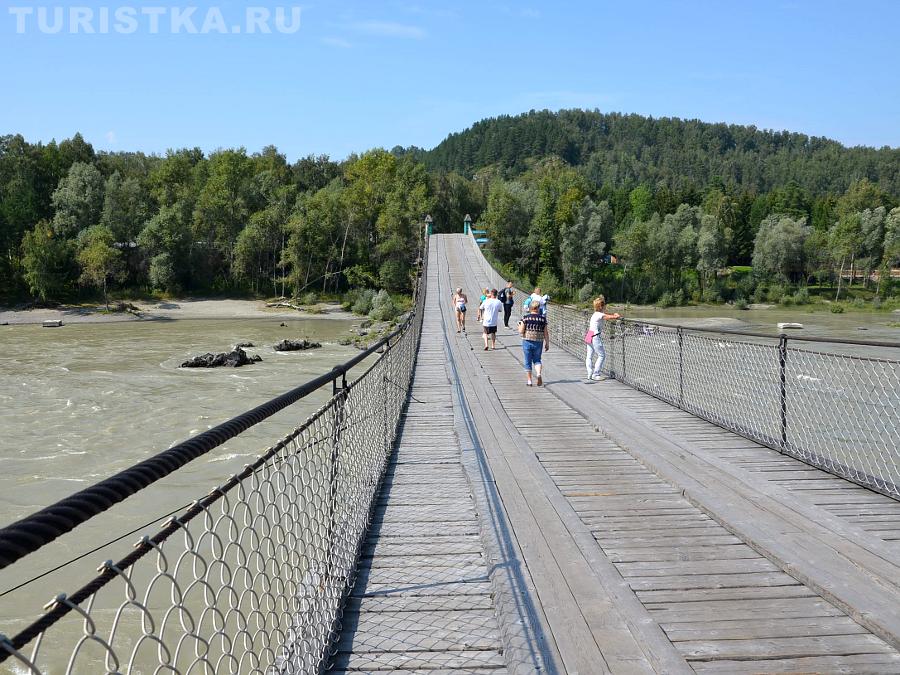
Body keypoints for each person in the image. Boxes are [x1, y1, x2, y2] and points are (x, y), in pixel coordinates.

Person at [585, 295, 621, 381]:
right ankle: (596, 374)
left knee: (589, 355)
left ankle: (589, 372)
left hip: (589, 334)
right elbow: (608, 317)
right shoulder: (599, 314)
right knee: (602, 355)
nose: (605, 307)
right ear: (601, 306)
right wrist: (616, 316)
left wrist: (612, 315)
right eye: (604, 305)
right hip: (595, 335)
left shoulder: (594, 314)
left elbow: (606, 316)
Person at [518, 300, 550, 386]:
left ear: (530, 308)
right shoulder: (543, 319)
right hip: (538, 342)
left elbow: (521, 331)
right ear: (538, 308)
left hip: (527, 341)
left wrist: (519, 326)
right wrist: (547, 343)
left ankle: (529, 381)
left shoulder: (525, 318)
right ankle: (538, 374)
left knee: (528, 361)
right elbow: (546, 333)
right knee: (537, 360)